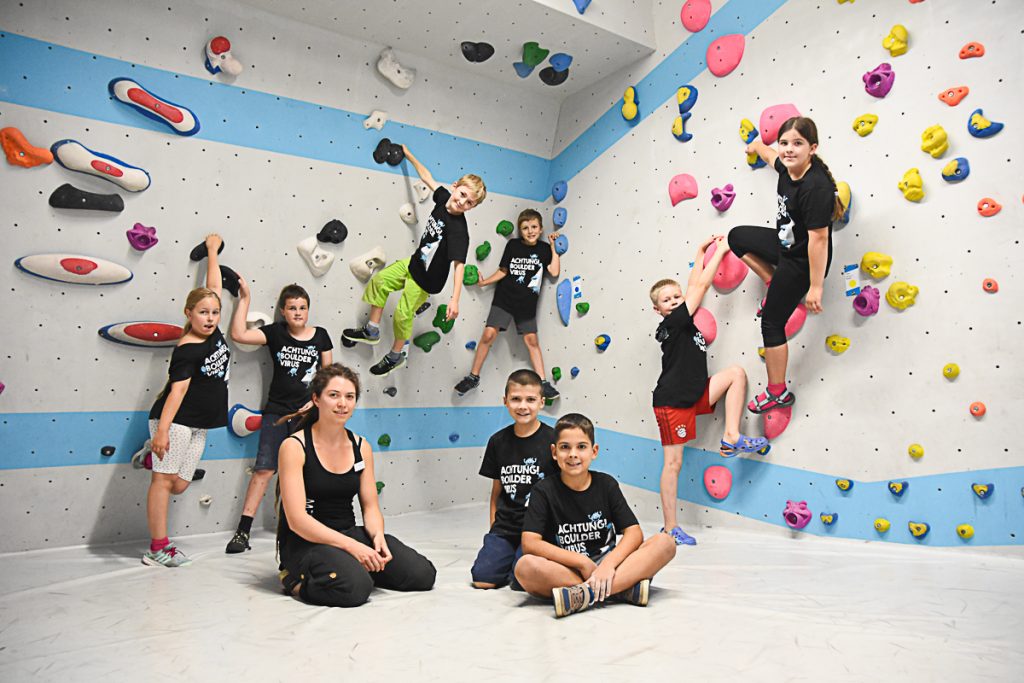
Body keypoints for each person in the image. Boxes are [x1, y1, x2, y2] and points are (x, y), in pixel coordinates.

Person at [277, 364, 436, 607]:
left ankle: (353, 567)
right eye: (334, 395)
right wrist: (354, 549)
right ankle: (296, 581)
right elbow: (297, 521)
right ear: (316, 399)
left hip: (348, 532)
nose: (342, 403)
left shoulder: (361, 446)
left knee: (423, 574)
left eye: (349, 397)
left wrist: (377, 537)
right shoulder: (294, 447)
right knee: (355, 588)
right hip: (308, 541)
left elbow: (370, 507)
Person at [649, 236, 769, 547]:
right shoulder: (673, 324)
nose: (675, 301)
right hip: (673, 402)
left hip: (695, 392)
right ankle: (669, 527)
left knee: (736, 375)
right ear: (657, 309)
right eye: (667, 300)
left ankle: (731, 436)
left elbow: (692, 287)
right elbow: (699, 289)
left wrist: (700, 253)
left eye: (676, 297)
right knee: (673, 463)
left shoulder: (683, 319)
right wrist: (724, 252)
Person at [728, 116, 843, 414]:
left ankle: (778, 393)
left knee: (771, 323)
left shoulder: (814, 188)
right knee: (737, 238)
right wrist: (755, 146)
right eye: (785, 143)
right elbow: (769, 156)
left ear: (813, 148)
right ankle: (773, 282)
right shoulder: (785, 165)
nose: (788, 150)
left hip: (804, 262)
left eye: (798, 144)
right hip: (785, 246)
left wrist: (815, 286)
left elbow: (819, 240)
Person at [343, 145, 486, 377]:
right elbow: (427, 176)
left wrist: (455, 300)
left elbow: (459, 265)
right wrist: (407, 153)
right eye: (462, 195)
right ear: (455, 187)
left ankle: (396, 355)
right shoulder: (442, 199)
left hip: (427, 281)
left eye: (469, 203)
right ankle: (372, 330)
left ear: (473, 207)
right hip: (414, 264)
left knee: (402, 314)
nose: (462, 202)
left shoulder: (459, 231)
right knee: (380, 281)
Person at [514, 413, 676, 618]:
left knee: (665, 542)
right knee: (525, 567)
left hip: (612, 566)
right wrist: (581, 562)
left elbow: (634, 533)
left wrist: (607, 566)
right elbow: (530, 543)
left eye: (581, 447)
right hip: (569, 569)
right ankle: (622, 589)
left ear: (594, 451)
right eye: (565, 447)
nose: (573, 454)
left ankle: (586, 593)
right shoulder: (543, 490)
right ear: (554, 452)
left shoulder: (606, 485)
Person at [140, 234, 230, 567]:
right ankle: (157, 547)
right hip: (175, 422)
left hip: (200, 424)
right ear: (188, 313)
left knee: (179, 484)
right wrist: (162, 433)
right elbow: (176, 392)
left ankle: (153, 455)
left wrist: (211, 251)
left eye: (215, 313)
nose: (210, 318)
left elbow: (214, 285)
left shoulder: (214, 331)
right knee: (163, 482)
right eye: (203, 312)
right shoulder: (187, 350)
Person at [224, 283, 333, 554]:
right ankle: (243, 531)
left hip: (308, 415)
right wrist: (246, 298)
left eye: (302, 308)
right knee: (264, 469)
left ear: (308, 310)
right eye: (292, 308)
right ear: (283, 311)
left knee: (309, 473)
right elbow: (238, 334)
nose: (298, 313)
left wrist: (316, 403)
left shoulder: (321, 336)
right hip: (276, 412)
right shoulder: (275, 333)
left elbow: (329, 377)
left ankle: (310, 527)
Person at [454, 210, 560, 400]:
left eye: (534, 227)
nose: (530, 231)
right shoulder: (513, 245)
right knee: (488, 335)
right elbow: (503, 270)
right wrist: (485, 282)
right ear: (520, 230)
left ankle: (543, 383)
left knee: (532, 341)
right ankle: (473, 377)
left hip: (527, 304)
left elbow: (553, 271)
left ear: (541, 228)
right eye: (525, 228)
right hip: (505, 299)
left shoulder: (544, 249)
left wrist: (553, 247)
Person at [470, 369, 558, 589]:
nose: (523, 406)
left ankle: (521, 560)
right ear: (505, 401)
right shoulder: (497, 441)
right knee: (482, 579)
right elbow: (496, 494)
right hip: (506, 528)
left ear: (541, 402)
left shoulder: (553, 441)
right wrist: (494, 530)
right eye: (516, 399)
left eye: (530, 400)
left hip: (539, 530)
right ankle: (506, 554)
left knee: (522, 580)